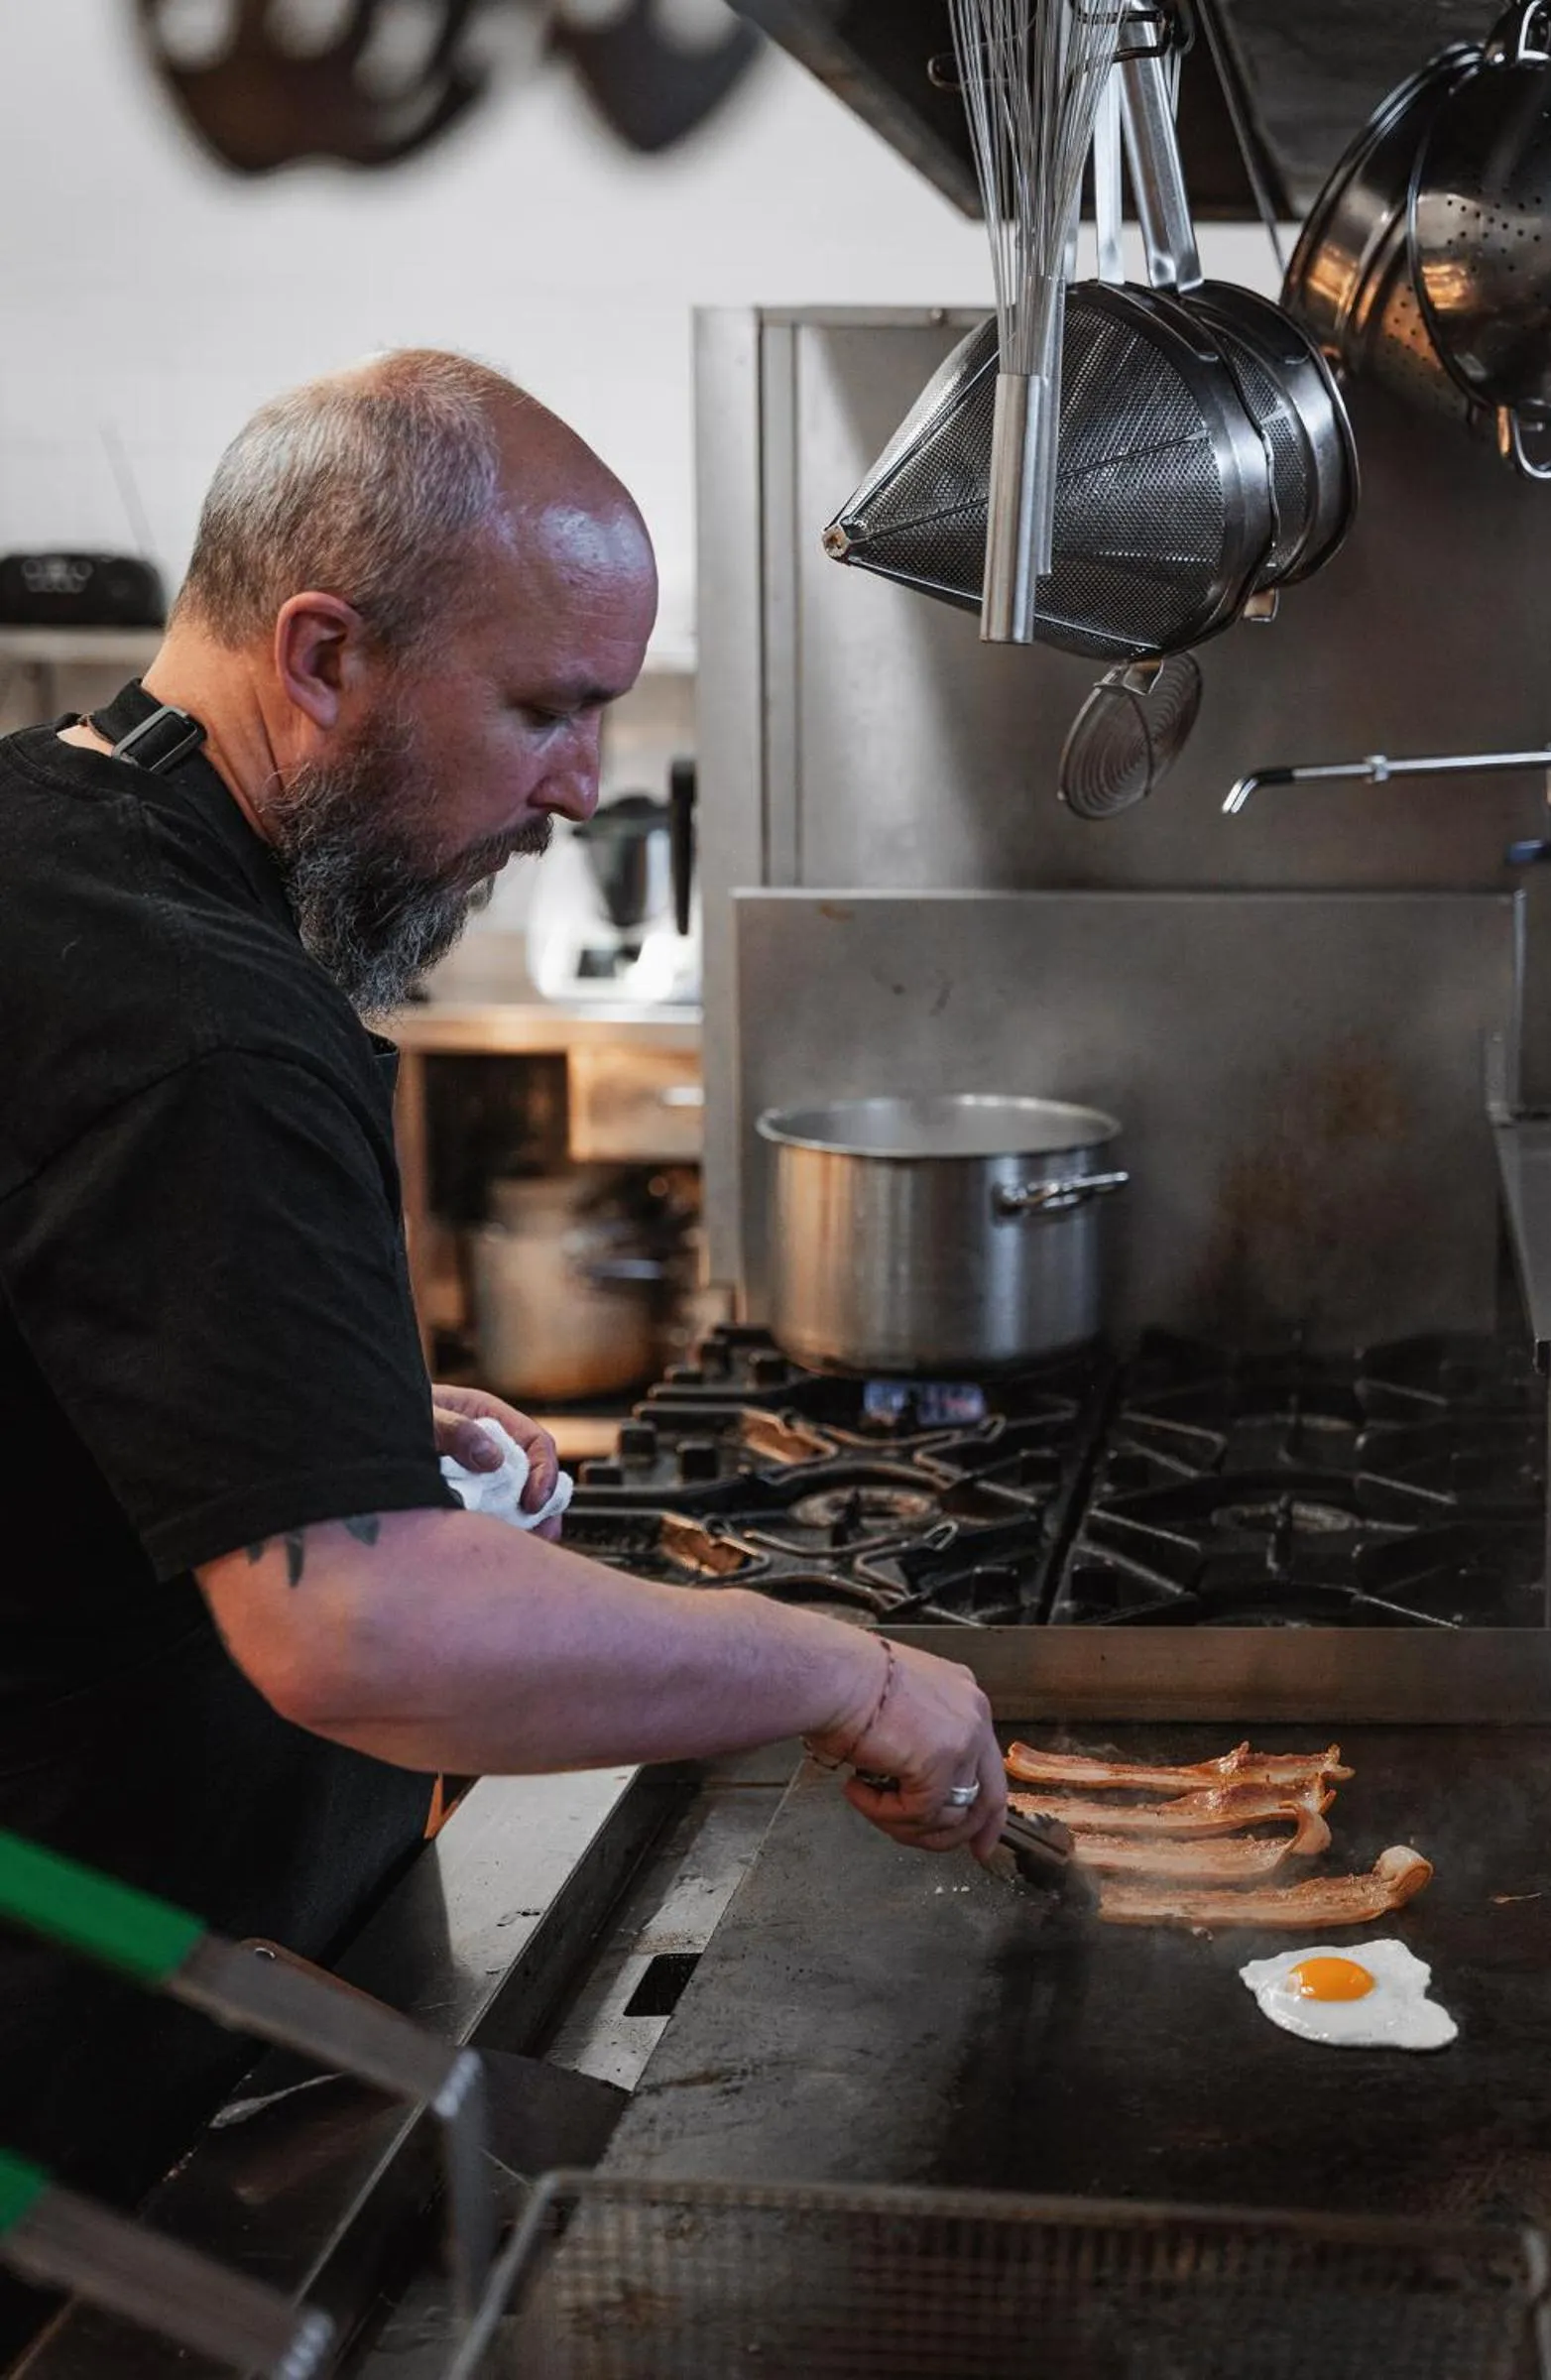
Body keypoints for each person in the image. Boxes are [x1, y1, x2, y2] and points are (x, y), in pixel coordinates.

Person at [0, 350, 1005, 2272]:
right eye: (547, 711)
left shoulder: (39, 840)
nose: (579, 789)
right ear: (320, 656)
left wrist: (289, 1396)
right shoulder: (201, 1017)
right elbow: (364, 1632)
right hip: (95, 2077)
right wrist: (846, 1671)